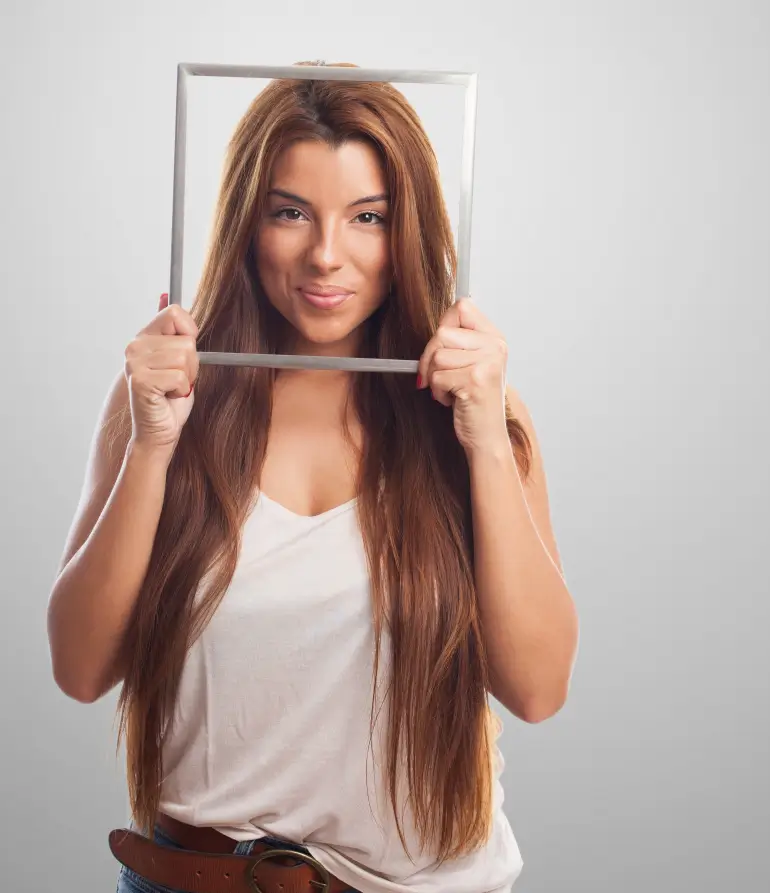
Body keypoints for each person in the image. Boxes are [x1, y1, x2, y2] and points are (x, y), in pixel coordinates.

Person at [46, 62, 578, 893]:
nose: (327, 255)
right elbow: (81, 668)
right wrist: (152, 446)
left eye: (368, 217)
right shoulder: (165, 398)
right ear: (247, 223)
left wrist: (482, 443)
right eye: (290, 212)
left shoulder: (477, 416)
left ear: (407, 231)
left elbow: (539, 688)